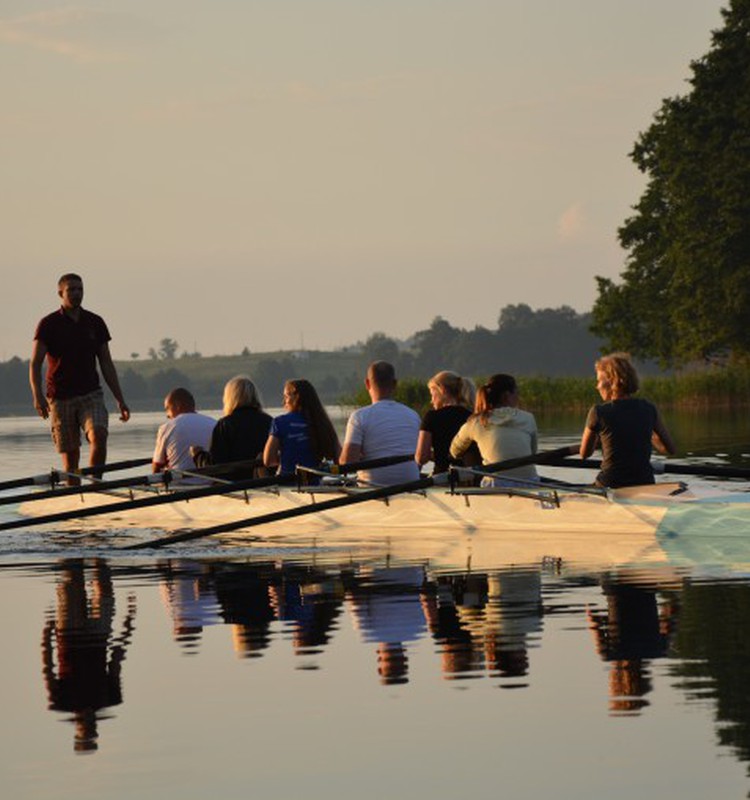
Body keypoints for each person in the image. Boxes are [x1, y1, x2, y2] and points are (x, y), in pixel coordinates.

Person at [30, 273, 130, 482]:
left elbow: (106, 363)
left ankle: (95, 484)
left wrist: (120, 399)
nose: (76, 294)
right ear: (61, 293)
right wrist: (37, 396)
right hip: (60, 397)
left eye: (80, 289)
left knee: (99, 435)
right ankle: (74, 493)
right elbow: (35, 363)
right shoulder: (48, 324)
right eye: (71, 290)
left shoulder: (95, 322)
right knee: (71, 459)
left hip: (90, 394)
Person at [579, 352, 675, 488]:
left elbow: (584, 454)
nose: (597, 386)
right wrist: (644, 434)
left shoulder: (598, 412)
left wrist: (602, 439)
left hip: (610, 484)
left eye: (599, 381)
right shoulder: (649, 408)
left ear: (612, 381)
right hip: (645, 483)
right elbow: (669, 449)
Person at [339, 361, 420, 485]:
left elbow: (347, 464)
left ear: (367, 384)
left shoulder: (359, 416)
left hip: (373, 487)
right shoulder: (413, 415)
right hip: (411, 484)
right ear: (395, 384)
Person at [449, 373, 538, 485]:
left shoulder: (476, 422)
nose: (518, 397)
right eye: (516, 393)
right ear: (506, 395)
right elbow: (533, 452)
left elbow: (454, 452)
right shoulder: (528, 418)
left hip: (496, 483)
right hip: (531, 482)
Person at [192, 376, 272, 480]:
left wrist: (198, 455)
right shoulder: (270, 422)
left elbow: (215, 468)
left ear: (229, 398)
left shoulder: (225, 425)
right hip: (266, 485)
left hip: (234, 489)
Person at [263, 379, 340, 477]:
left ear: (297, 397)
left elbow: (268, 460)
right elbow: (339, 456)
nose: (283, 402)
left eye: (286, 396)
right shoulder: (322, 422)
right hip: (315, 483)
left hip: (287, 483)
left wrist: (287, 456)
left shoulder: (279, 422)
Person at [415, 370, 478, 474]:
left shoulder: (432, 417)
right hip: (471, 478)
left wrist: (436, 454)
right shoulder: (473, 416)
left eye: (432, 394)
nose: (431, 400)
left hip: (442, 479)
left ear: (442, 390)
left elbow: (421, 458)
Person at [152, 388, 216, 481]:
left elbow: (156, 469)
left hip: (180, 487)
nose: (167, 415)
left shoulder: (166, 427)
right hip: (213, 487)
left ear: (178, 405)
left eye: (167, 409)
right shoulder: (214, 424)